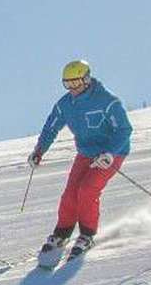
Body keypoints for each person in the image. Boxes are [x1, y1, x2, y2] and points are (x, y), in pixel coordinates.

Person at [28, 59, 133, 258]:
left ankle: (86, 235)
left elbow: (124, 129)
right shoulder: (65, 104)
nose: (72, 88)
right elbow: (51, 127)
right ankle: (62, 233)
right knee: (70, 193)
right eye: (67, 84)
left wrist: (110, 153)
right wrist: (39, 150)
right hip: (86, 153)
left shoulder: (107, 101)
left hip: (111, 153)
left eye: (75, 83)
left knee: (87, 189)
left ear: (86, 79)